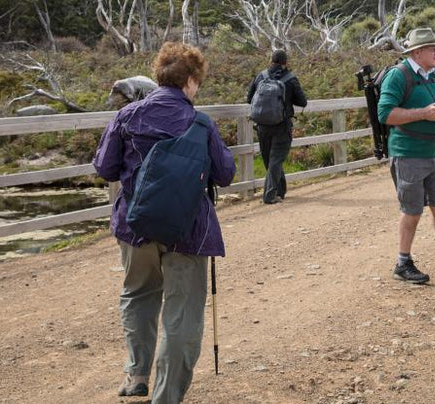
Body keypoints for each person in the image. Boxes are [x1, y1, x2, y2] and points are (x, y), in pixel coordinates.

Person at [94, 42, 235, 403]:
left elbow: (105, 168)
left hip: (134, 225)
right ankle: (166, 396)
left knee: (138, 294)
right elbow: (225, 173)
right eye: (197, 81)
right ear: (190, 81)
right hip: (187, 231)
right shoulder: (200, 122)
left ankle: (137, 375)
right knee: (182, 310)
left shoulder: (126, 116)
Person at [377, 27, 435, 284]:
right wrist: (423, 113)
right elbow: (384, 114)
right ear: (417, 52)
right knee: (412, 211)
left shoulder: (434, 74)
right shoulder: (398, 76)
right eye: (433, 48)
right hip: (408, 153)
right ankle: (402, 263)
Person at [245, 49, 308, 204]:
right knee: (276, 160)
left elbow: (249, 99)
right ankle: (269, 195)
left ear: (271, 60)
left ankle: (280, 190)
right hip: (282, 125)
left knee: (269, 160)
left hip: (262, 125)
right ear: (285, 63)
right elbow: (302, 102)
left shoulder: (261, 76)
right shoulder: (291, 78)